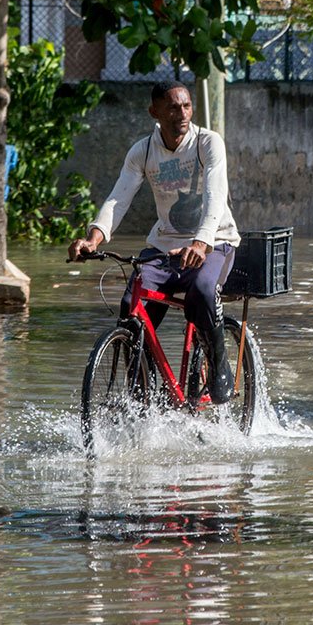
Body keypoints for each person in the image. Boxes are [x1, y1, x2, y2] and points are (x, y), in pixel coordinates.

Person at [69, 80, 242, 403]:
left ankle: (219, 365)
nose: (182, 114)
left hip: (215, 241)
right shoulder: (143, 151)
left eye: (187, 106)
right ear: (155, 112)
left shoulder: (207, 143)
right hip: (164, 248)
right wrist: (93, 238)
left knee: (202, 293)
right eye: (173, 107)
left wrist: (201, 243)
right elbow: (118, 199)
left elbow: (216, 195)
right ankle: (146, 387)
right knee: (130, 308)